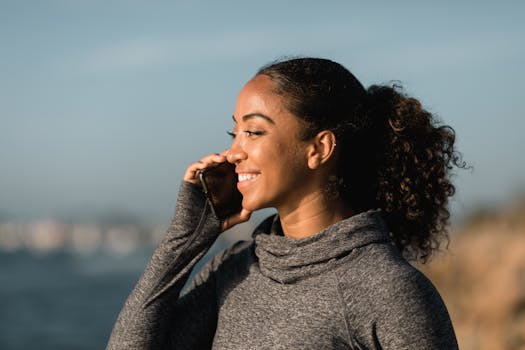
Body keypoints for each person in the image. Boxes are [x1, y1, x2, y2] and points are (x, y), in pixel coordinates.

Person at [107, 57, 463, 349]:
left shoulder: (387, 288)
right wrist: (186, 238)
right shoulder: (236, 269)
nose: (233, 153)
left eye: (254, 131)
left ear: (319, 149)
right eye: (235, 133)